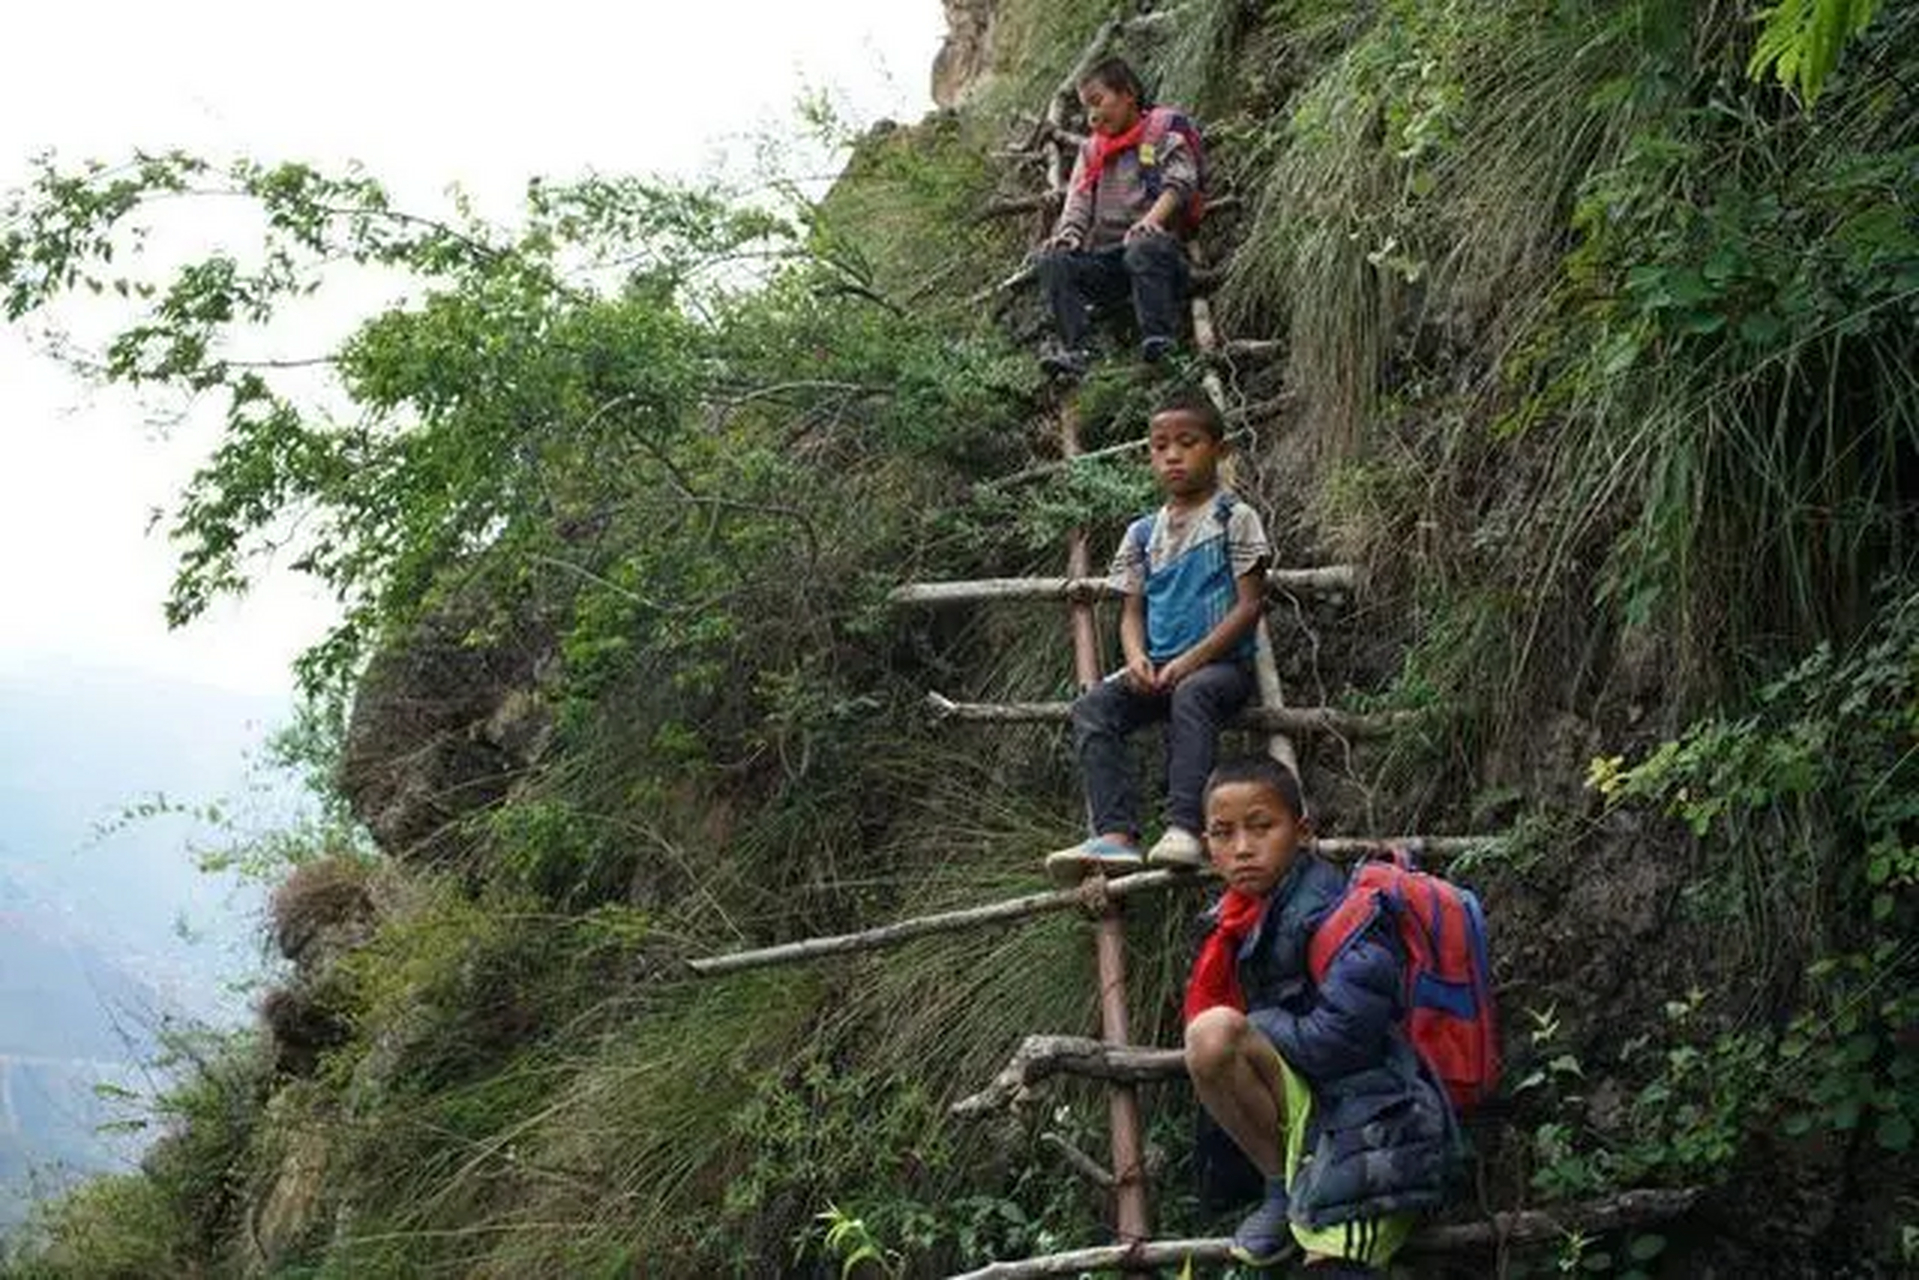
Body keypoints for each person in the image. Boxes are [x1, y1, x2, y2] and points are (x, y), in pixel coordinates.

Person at [1183, 757, 1455, 1272]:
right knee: (1211, 1037)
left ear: (1302, 831)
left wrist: (1258, 1022)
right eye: (1223, 833)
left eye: (1261, 827)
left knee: (1334, 1266)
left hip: (1373, 1117)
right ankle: (1280, 1188)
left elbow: (1343, 1042)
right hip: (1317, 1111)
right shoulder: (1239, 920)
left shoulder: (1345, 916)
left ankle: (1295, 1197)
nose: (1242, 847)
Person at [1046, 393, 1268, 879]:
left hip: (1220, 669)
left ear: (1220, 450)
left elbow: (1250, 606)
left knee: (1193, 693)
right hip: (1156, 668)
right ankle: (1116, 835)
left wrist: (1190, 661)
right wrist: (1137, 657)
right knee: (1093, 706)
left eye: (1187, 443)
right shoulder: (1143, 533)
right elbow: (1131, 612)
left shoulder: (1236, 518)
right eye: (1160, 446)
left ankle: (1186, 828)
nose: (1172, 456)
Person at [1037, 56, 1202, 379]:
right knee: (1053, 259)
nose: (1093, 115)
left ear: (1128, 93)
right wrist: (1069, 234)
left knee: (1144, 245)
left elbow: (1180, 182)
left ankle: (1159, 339)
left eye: (1098, 101)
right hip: (1108, 262)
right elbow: (1078, 200)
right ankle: (1080, 350)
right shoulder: (1091, 151)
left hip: (1157, 255)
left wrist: (1151, 221)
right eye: (1087, 108)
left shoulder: (1163, 137)